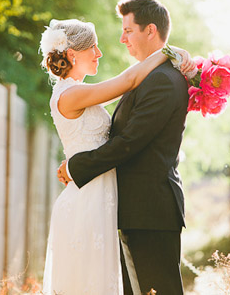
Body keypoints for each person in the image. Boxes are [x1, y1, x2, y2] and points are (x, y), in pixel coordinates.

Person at [41, 17, 194, 294]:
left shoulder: (81, 92)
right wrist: (172, 52)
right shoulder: (71, 94)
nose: (99, 53)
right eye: (94, 48)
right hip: (87, 198)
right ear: (73, 54)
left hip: (102, 195)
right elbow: (130, 79)